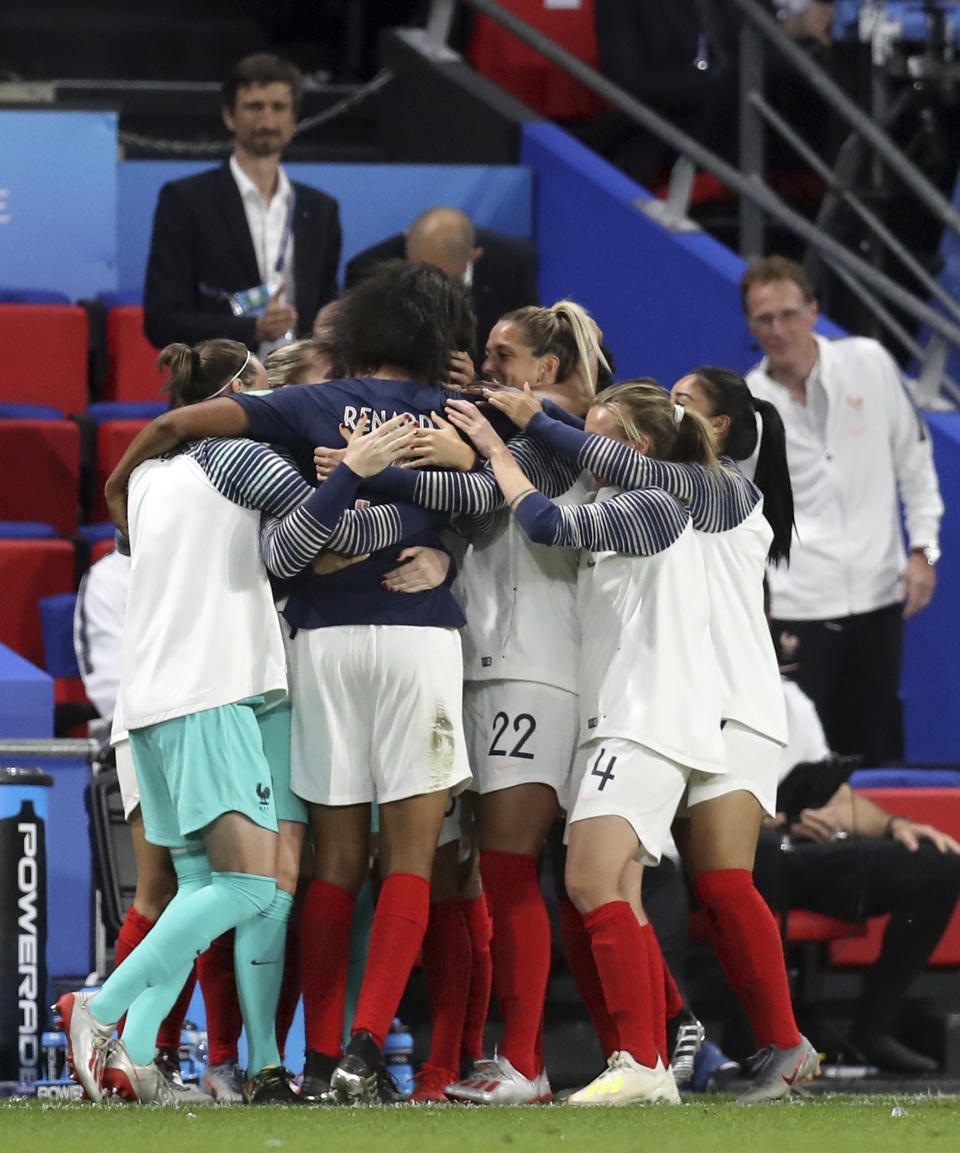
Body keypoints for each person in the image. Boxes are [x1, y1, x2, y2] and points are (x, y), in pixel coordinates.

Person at [103, 261, 482, 1105]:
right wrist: (443, 514)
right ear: (438, 340)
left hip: (310, 651)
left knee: (322, 865)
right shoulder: (459, 417)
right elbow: (512, 490)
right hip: (401, 646)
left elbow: (205, 441)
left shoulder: (301, 408)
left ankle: (288, 1060)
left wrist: (126, 462)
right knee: (412, 860)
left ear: (356, 335)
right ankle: (361, 1046)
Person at [57, 337, 420, 1107]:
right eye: (260, 389)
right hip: (212, 689)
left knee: (200, 882)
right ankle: (104, 1006)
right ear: (234, 394)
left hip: (150, 704)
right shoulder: (241, 456)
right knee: (253, 887)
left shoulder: (153, 475)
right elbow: (306, 546)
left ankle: (139, 1054)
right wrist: (396, 496)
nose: (271, 403)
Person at [484, 365, 818, 1103]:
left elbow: (620, 469)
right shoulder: (651, 495)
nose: (674, 408)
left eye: (683, 402)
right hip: (678, 702)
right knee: (622, 881)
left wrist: (533, 423)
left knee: (712, 880)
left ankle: (768, 1043)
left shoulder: (715, 487)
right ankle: (658, 1042)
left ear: (716, 426)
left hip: (723, 702)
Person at [445, 381, 730, 1106]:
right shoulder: (616, 503)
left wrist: (494, 446)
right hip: (622, 715)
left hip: (649, 716)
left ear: (635, 447)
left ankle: (642, 1059)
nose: (583, 449)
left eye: (597, 435)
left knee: (588, 880)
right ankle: (647, 1062)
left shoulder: (657, 505)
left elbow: (540, 522)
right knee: (616, 892)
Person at [741, 256, 944, 764]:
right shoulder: (746, 404)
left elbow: (914, 459)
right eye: (765, 320)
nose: (779, 330)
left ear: (813, 310)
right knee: (804, 759)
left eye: (788, 314)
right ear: (750, 325)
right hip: (797, 607)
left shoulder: (869, 362)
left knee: (876, 748)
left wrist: (925, 550)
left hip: (878, 600)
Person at [755, 678, 960, 1075]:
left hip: (802, 854)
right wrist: (771, 823)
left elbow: (836, 793)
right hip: (735, 857)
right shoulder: (693, 691)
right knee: (763, 851)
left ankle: (872, 1029)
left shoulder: (789, 697)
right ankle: (754, 1037)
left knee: (938, 862)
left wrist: (894, 825)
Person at [143, 53, 341, 356]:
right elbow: (162, 322)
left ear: (294, 118)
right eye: (254, 107)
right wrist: (252, 330)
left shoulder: (320, 210)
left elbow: (326, 313)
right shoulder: (185, 201)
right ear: (229, 116)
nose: (267, 120)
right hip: (219, 387)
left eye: (278, 107)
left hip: (298, 391)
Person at [344, 205, 539, 363]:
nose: (433, 286)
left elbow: (528, 343)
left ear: (474, 256)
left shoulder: (513, 264)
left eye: (445, 279)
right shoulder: (369, 270)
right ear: (407, 239)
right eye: (418, 274)